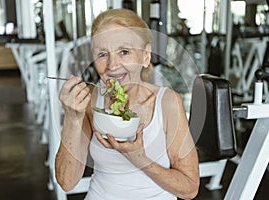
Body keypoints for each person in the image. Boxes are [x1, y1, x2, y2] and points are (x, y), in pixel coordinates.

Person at [55, 8, 199, 200]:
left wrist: (138, 158)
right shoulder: (88, 100)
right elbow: (66, 182)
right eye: (102, 54)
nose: (112, 65)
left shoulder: (167, 103)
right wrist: (72, 117)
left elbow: (189, 188)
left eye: (124, 52)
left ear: (145, 56)